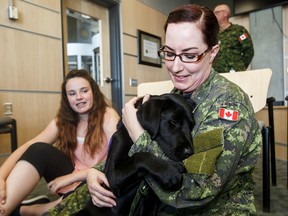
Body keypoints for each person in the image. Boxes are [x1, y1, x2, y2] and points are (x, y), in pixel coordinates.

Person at [48, 4, 261, 215]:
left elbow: (195, 190)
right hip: (152, 196)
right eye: (169, 53)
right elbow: (130, 151)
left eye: (189, 55)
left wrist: (138, 133)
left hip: (209, 209)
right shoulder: (180, 95)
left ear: (213, 52)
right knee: (75, 203)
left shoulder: (226, 106)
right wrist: (94, 172)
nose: (175, 67)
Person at [0, 69, 119, 216]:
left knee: (92, 200)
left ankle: (30, 210)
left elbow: (117, 156)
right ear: (66, 98)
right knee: (38, 149)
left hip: (98, 178)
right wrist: (0, 176)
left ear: (93, 91)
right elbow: (28, 146)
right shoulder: (63, 120)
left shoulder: (108, 115)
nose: (79, 97)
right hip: (69, 180)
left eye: (84, 91)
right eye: (72, 93)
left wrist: (72, 177)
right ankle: (4, 209)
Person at [212, 4, 254, 73]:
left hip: (235, 72)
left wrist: (240, 66)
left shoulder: (239, 31)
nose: (214, 15)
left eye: (216, 13)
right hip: (217, 74)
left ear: (225, 14)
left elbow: (249, 51)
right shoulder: (214, 33)